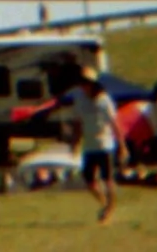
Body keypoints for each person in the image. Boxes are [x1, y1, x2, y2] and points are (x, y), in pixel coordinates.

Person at [65, 70, 121, 224]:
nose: (83, 86)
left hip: (104, 145)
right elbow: (78, 122)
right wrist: (75, 142)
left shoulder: (104, 100)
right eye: (82, 82)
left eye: (86, 82)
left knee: (107, 179)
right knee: (88, 180)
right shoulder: (80, 99)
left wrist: (122, 145)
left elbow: (114, 123)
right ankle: (104, 203)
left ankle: (109, 208)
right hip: (89, 146)